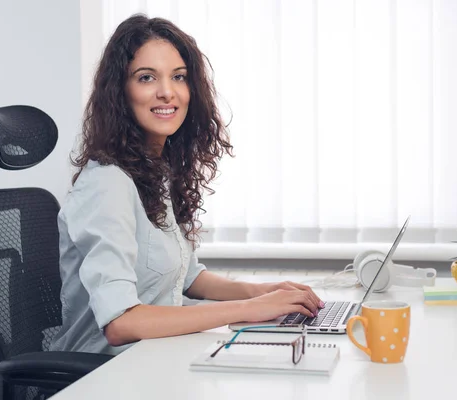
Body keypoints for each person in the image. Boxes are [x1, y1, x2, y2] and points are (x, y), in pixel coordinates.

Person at [50, 13, 323, 356]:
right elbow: (121, 323)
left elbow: (189, 278)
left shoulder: (154, 172)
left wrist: (264, 292)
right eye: (146, 77)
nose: (167, 92)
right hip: (106, 373)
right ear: (120, 92)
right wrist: (251, 310)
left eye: (178, 77)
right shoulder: (107, 183)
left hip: (159, 357)